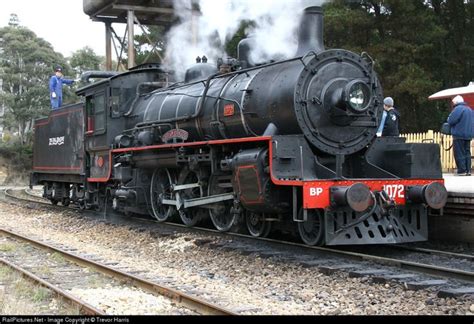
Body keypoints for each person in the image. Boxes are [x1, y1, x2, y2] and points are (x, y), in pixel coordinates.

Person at [447, 95, 474, 176]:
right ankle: (468, 170)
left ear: (456, 102)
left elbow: (451, 121)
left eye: (453, 102)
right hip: (468, 134)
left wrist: (449, 118)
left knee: (459, 153)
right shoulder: (469, 109)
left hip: (459, 134)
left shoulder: (458, 109)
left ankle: (462, 170)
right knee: (467, 152)